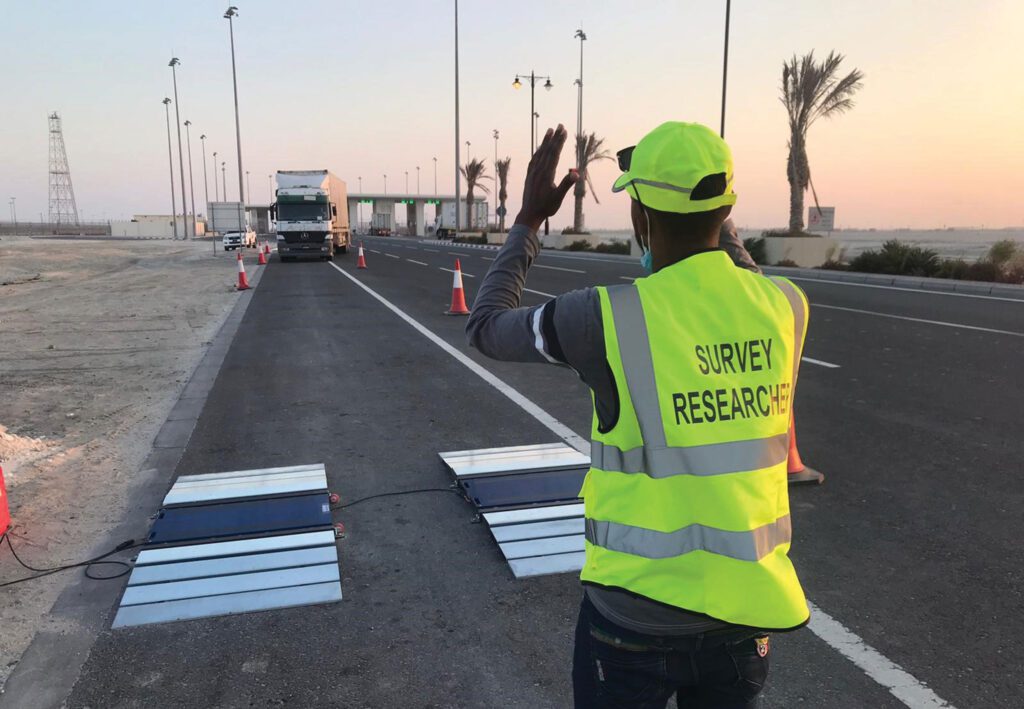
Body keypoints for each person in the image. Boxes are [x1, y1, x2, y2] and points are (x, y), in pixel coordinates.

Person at [467, 122, 810, 708]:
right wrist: (710, 207)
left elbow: (487, 328)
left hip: (632, 618)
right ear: (727, 208)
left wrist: (527, 221)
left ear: (640, 220)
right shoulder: (785, 306)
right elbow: (738, 273)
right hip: (744, 613)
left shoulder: (604, 316)